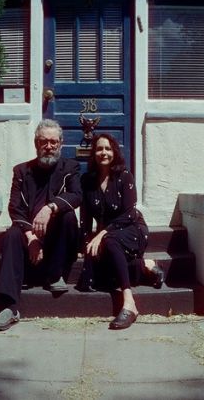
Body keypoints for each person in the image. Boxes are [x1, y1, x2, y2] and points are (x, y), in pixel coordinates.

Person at [0, 119, 81, 332]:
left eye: (53, 142)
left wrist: (50, 209)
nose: (48, 146)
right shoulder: (22, 171)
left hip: (58, 238)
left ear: (61, 143)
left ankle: (55, 274)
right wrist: (30, 237)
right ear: (36, 143)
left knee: (68, 217)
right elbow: (15, 208)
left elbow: (76, 196)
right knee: (12, 234)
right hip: (30, 235)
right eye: (43, 142)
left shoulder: (70, 167)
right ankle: (8, 306)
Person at [79, 133, 165, 330]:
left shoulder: (124, 176)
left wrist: (101, 234)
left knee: (110, 242)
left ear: (114, 152)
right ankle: (144, 265)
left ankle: (129, 303)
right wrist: (85, 241)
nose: (104, 153)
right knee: (92, 276)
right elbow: (85, 217)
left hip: (132, 228)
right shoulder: (87, 180)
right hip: (109, 236)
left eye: (108, 149)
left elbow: (129, 213)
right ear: (93, 153)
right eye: (99, 149)